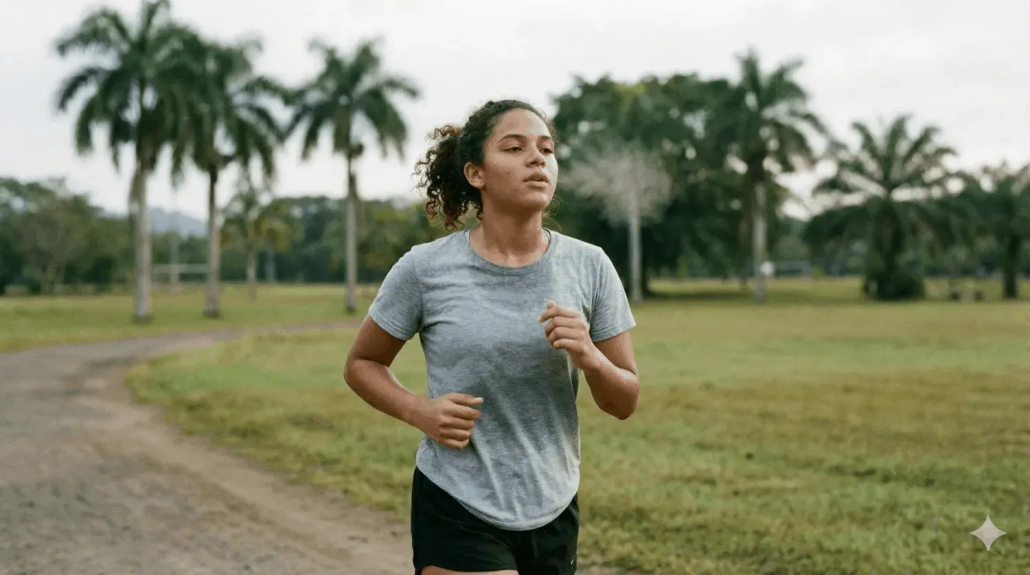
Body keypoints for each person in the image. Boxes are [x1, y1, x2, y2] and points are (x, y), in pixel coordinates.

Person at [343, 99, 639, 575]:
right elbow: (362, 364)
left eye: (546, 149)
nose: (537, 158)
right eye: (514, 147)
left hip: (553, 503)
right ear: (476, 173)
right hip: (456, 499)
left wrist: (590, 357)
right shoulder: (425, 269)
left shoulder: (590, 266)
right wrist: (420, 411)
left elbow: (623, 401)